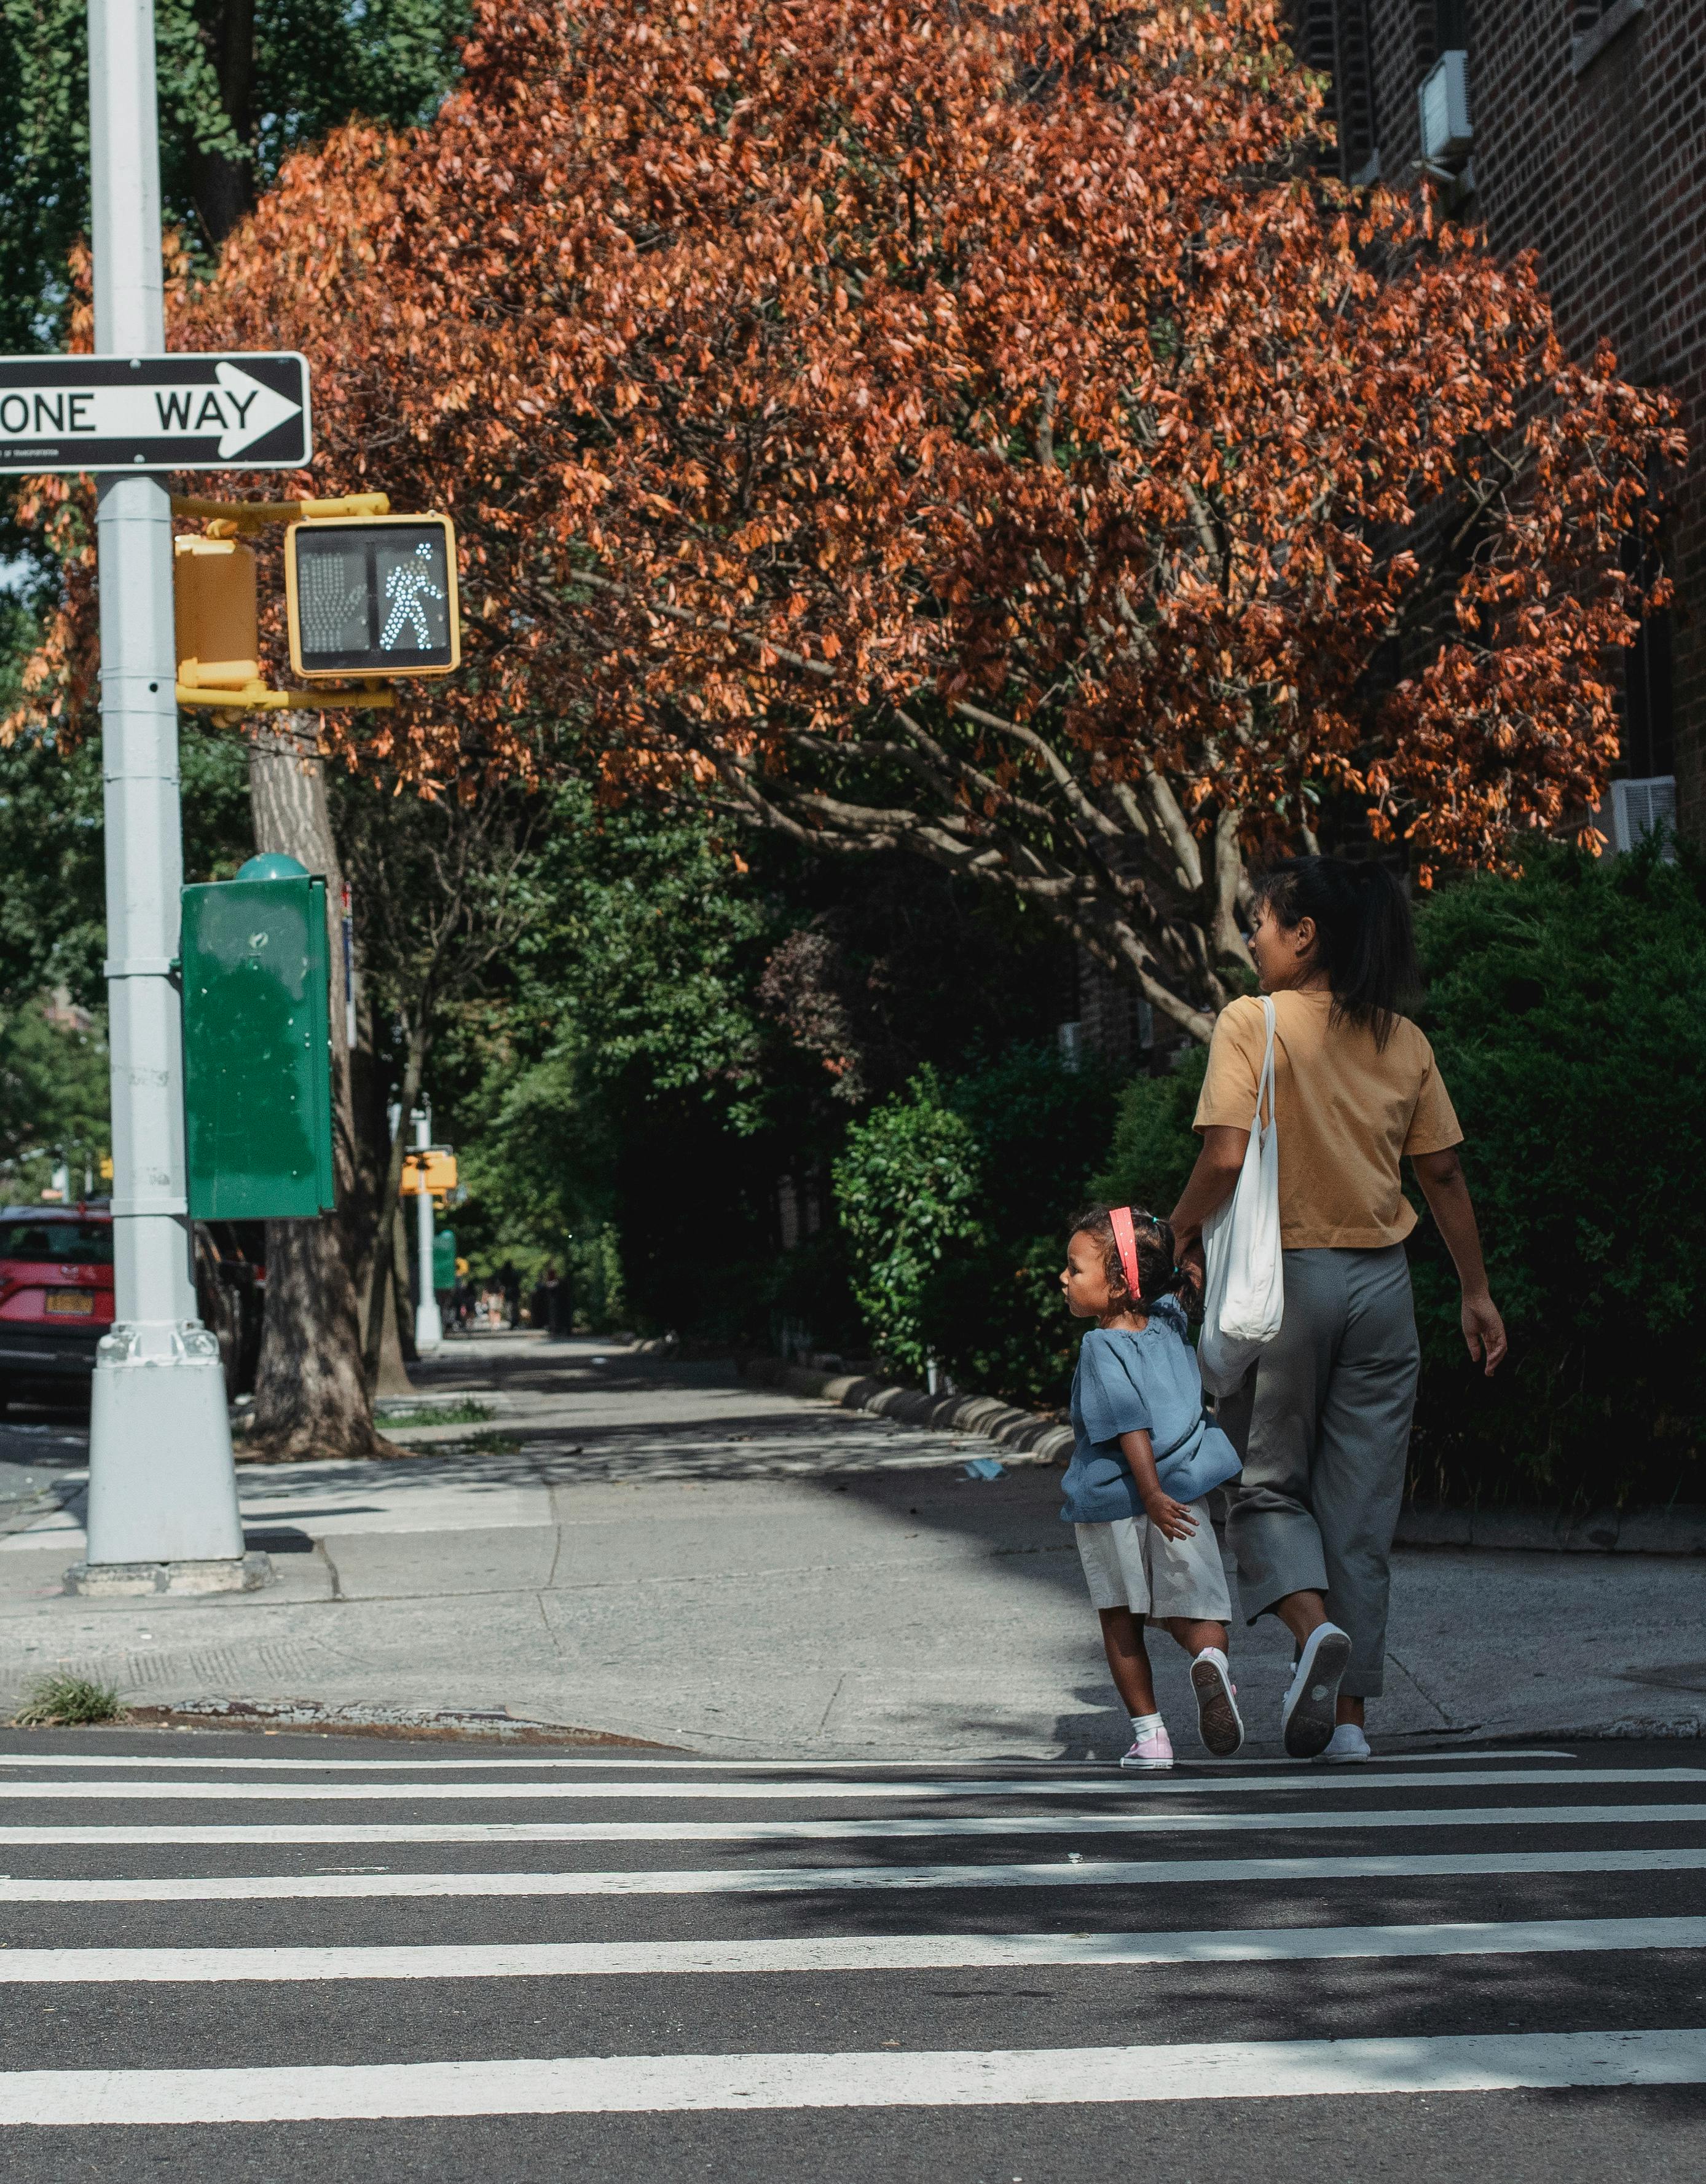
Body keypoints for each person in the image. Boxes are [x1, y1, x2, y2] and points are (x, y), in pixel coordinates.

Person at [1169, 856, 1507, 1764]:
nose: (1251, 938)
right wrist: (1475, 1290)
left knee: (1265, 1485)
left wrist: (1177, 1227)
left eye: (1262, 923)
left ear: (1304, 933)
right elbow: (1442, 1174)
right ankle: (1350, 1723)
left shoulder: (1253, 1023)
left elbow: (1227, 1157)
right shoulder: (1404, 1040)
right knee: (1362, 1510)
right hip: (1385, 1289)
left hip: (1287, 1285)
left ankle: (1313, 1632)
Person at [1059, 1204, 1246, 1769]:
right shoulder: (1170, 1322)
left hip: (1123, 1499)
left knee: (1121, 1622)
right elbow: (1185, 1264)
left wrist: (1148, 1494)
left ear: (1118, 1284)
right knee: (1198, 1606)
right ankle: (1210, 1659)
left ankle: (1151, 1737)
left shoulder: (1100, 1347)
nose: (1064, 1280)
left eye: (1075, 1269)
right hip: (1183, 1497)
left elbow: (1128, 1422)